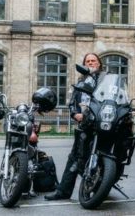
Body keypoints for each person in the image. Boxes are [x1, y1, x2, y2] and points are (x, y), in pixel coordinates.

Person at [45, 53, 105, 201]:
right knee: (74, 158)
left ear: (99, 64)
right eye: (88, 61)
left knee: (103, 155)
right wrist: (75, 114)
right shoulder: (80, 82)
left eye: (93, 61)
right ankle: (63, 191)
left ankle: (102, 184)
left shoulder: (106, 79)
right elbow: (72, 103)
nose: (91, 63)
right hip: (84, 125)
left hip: (102, 123)